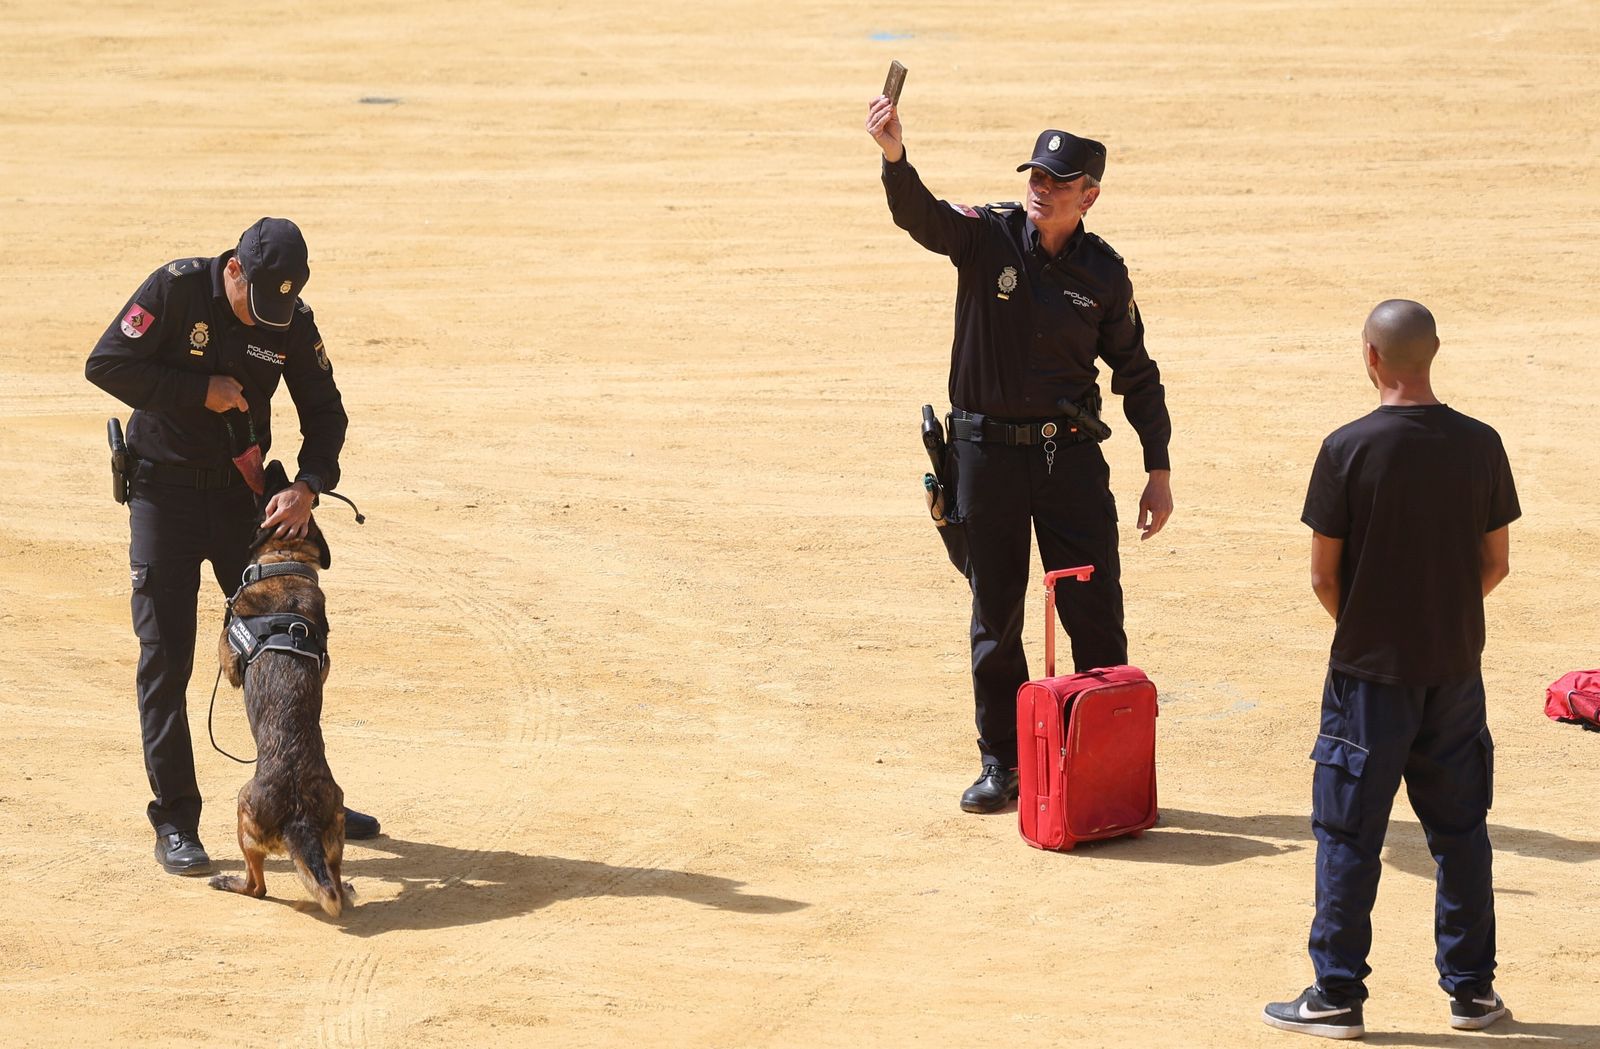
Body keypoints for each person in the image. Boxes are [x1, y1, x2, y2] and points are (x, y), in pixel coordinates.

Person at [865, 95, 1174, 813]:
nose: (1040, 186)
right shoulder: (989, 237)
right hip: (985, 459)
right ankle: (1003, 762)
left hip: (1067, 461)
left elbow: (1137, 372)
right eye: (1036, 172)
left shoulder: (1103, 274)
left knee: (1094, 612)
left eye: (1058, 180)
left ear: (1088, 195)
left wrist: (1158, 467)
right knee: (995, 612)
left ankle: (1104, 758)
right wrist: (893, 157)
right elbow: (924, 218)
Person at [86, 217, 381, 876]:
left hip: (238, 498)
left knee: (286, 645)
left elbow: (325, 410)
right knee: (166, 656)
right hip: (161, 494)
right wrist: (199, 390)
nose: (266, 320)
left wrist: (308, 485)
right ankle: (176, 820)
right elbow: (106, 363)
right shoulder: (176, 289)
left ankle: (310, 794)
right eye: (256, 303)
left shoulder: (288, 321)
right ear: (235, 270)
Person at [1263, 300, 1517, 1039]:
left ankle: (1337, 994)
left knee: (1349, 835)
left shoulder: (1347, 448)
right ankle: (1473, 994)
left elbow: (1322, 577)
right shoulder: (1481, 444)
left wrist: (1377, 627)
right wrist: (1436, 617)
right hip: (1454, 672)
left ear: (1371, 356)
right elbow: (1495, 563)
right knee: (1461, 833)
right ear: (1432, 354)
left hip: (1368, 679)